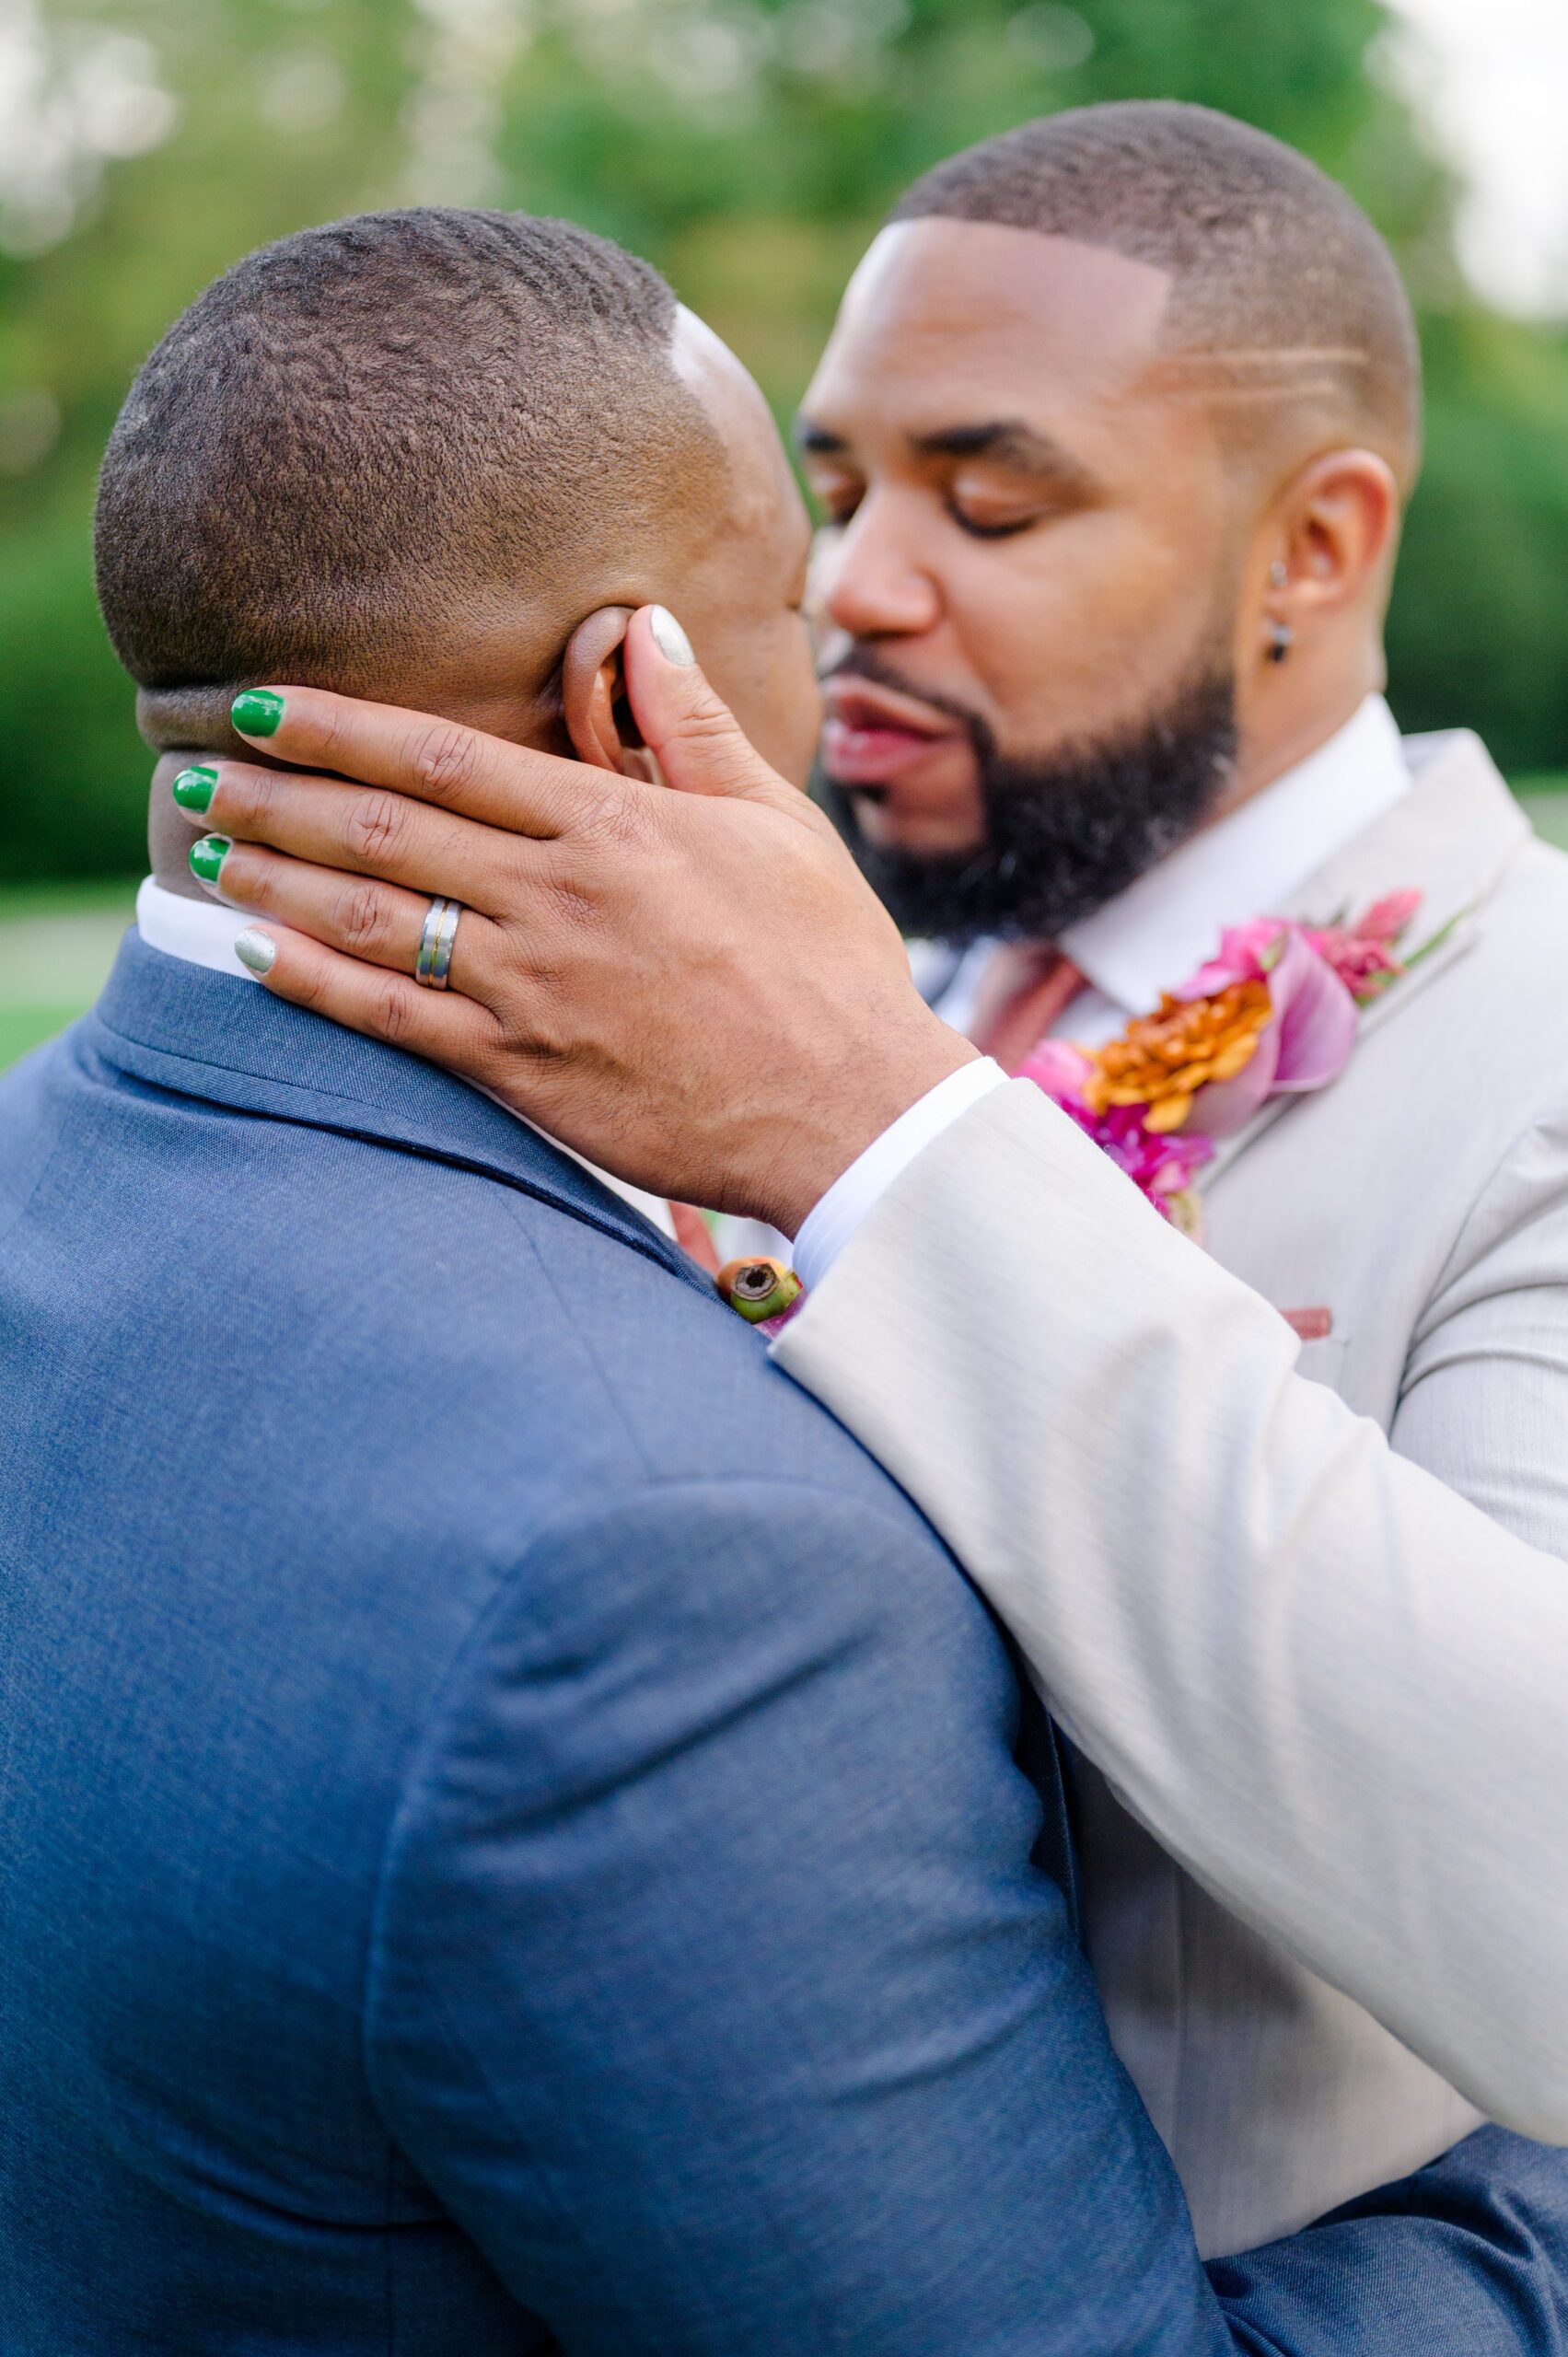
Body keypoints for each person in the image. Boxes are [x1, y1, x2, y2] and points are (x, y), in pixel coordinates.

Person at [19, 202, 1562, 2356]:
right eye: (828, 500)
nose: (858, 596)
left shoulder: (1528, 1058)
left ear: (1313, 548)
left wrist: (889, 1143)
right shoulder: (752, 966)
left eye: (991, 500)